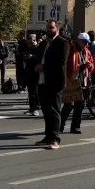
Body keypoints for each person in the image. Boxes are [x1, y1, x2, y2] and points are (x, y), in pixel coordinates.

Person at [35, 19, 70, 149]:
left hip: (55, 81)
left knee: (55, 110)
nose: (49, 30)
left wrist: (43, 66)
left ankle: (55, 138)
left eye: (51, 28)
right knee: (46, 110)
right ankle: (48, 136)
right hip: (42, 80)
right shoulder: (43, 43)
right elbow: (37, 57)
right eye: (48, 28)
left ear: (57, 29)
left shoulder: (63, 43)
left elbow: (61, 61)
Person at [60, 33, 94, 134]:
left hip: (82, 81)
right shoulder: (71, 50)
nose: (85, 44)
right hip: (71, 81)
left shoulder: (86, 51)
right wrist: (82, 66)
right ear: (78, 41)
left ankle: (75, 126)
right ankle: (60, 124)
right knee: (68, 105)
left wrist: (89, 65)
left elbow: (92, 65)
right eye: (84, 42)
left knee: (80, 105)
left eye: (86, 43)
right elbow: (68, 66)